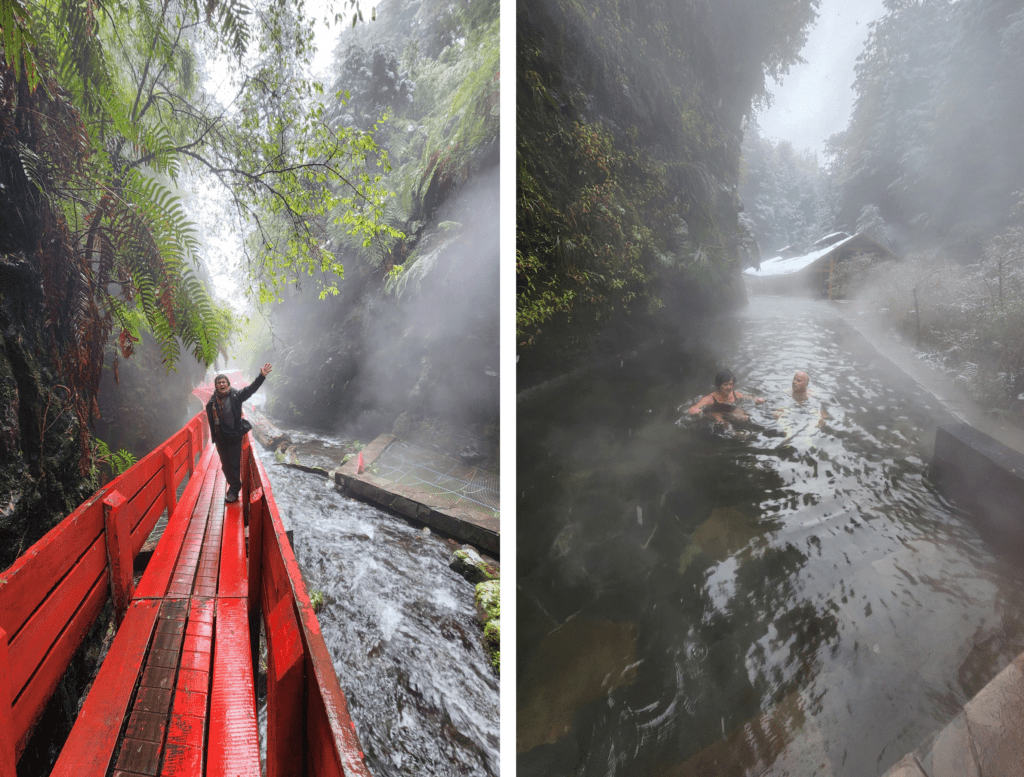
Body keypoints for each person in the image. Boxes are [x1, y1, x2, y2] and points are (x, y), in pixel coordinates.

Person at [206, 364, 273, 502]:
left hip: (234, 436)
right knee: (225, 464)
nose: (222, 384)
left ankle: (234, 490)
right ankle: (234, 484)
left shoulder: (236, 396)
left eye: (224, 382)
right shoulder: (212, 401)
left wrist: (261, 377)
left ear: (228, 385)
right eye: (219, 382)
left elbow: (250, 389)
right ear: (216, 386)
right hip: (220, 438)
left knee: (234, 464)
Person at [688, 369, 765, 423]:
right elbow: (693, 408)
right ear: (719, 385)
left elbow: (748, 397)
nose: (729, 387)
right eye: (725, 385)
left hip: (728, 411)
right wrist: (696, 411)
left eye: (731, 384)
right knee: (723, 422)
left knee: (745, 417)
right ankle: (735, 433)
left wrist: (756, 399)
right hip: (714, 412)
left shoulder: (734, 393)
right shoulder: (710, 398)